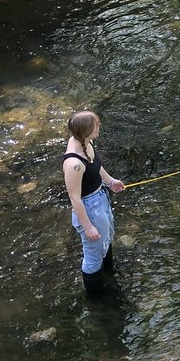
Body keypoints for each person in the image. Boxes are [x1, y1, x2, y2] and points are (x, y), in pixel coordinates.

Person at [63, 111, 125, 294]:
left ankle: (109, 273)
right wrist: (88, 227)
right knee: (93, 253)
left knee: (106, 239)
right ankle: (96, 298)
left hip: (101, 198)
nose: (99, 128)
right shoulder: (74, 164)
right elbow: (74, 198)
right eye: (96, 126)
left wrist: (110, 181)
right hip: (89, 207)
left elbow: (96, 165)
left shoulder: (87, 142)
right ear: (86, 131)